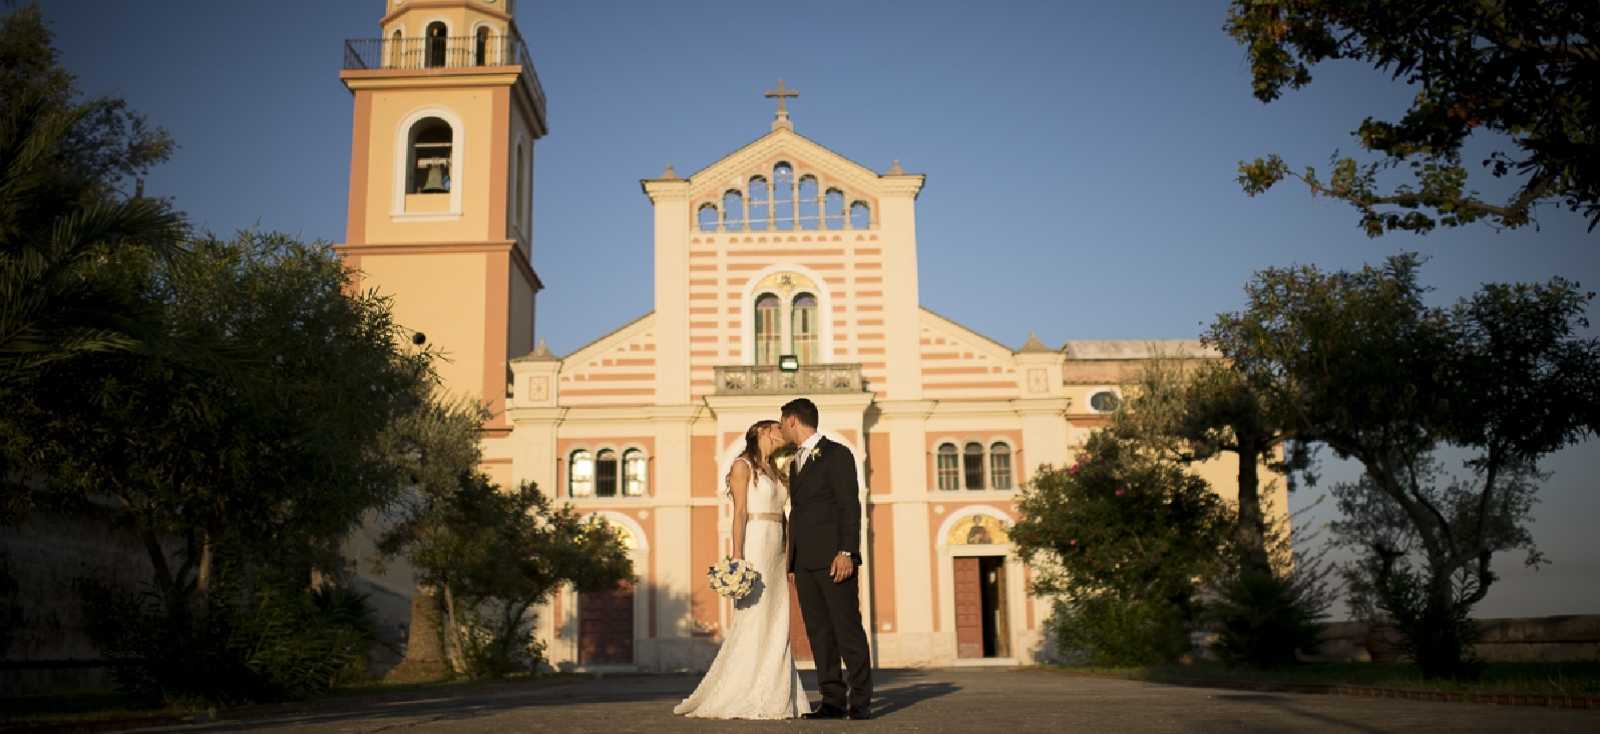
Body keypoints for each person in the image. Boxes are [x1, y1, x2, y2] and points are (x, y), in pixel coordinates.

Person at [673, 419, 811, 720]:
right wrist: (737, 556)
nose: (783, 433)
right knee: (756, 615)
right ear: (762, 432)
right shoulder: (742, 466)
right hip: (756, 542)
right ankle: (743, 689)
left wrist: (790, 553)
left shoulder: (775, 470)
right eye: (777, 428)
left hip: (777, 544)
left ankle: (777, 689)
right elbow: (739, 514)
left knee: (778, 616)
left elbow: (785, 516)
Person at [779, 397, 872, 720]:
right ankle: (832, 700)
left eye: (781, 422)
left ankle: (860, 702)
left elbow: (850, 505)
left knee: (848, 631)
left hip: (835, 559)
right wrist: (793, 562)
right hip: (805, 564)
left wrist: (847, 551)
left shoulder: (837, 454)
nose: (779, 428)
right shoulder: (794, 463)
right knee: (819, 633)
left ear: (793, 421)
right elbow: (799, 514)